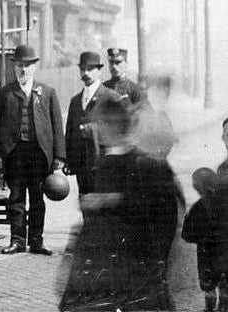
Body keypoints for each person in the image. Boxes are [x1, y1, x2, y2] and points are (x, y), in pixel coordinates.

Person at [58, 98, 180, 311]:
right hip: (115, 267)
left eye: (100, 124)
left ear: (110, 125)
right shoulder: (111, 161)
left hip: (128, 265)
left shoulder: (142, 164)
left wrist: (108, 200)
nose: (96, 131)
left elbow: (160, 212)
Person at [0, 44, 66, 255]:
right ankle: (17, 240)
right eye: (20, 66)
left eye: (27, 66)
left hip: (40, 154)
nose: (23, 70)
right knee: (16, 198)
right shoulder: (5, 94)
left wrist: (59, 156)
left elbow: (57, 126)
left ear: (34, 68)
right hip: (14, 154)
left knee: (38, 198)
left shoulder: (48, 93)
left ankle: (37, 241)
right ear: (14, 68)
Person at [64, 51, 119, 199]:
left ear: (99, 71)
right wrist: (69, 160)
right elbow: (69, 133)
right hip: (82, 165)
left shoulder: (111, 97)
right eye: (83, 69)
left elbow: (119, 131)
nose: (85, 73)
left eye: (90, 69)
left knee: (102, 207)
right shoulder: (75, 101)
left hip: (103, 163)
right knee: (85, 204)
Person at [183, 167, 226, 312]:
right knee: (225, 284)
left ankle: (209, 308)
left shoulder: (198, 207)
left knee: (209, 286)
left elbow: (187, 235)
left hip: (206, 253)